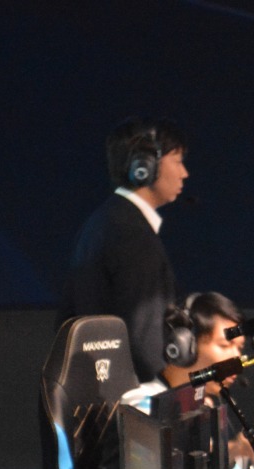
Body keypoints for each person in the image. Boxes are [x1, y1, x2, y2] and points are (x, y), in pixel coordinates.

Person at [121, 292, 254, 469]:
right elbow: (165, 461)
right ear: (185, 346)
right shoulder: (140, 405)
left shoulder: (206, 406)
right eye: (225, 345)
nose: (237, 360)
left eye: (240, 348)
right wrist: (234, 449)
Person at [61, 118, 188, 383]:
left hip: (98, 387)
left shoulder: (104, 222)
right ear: (144, 166)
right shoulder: (131, 233)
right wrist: (174, 385)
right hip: (128, 393)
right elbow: (143, 339)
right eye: (177, 161)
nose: (184, 173)